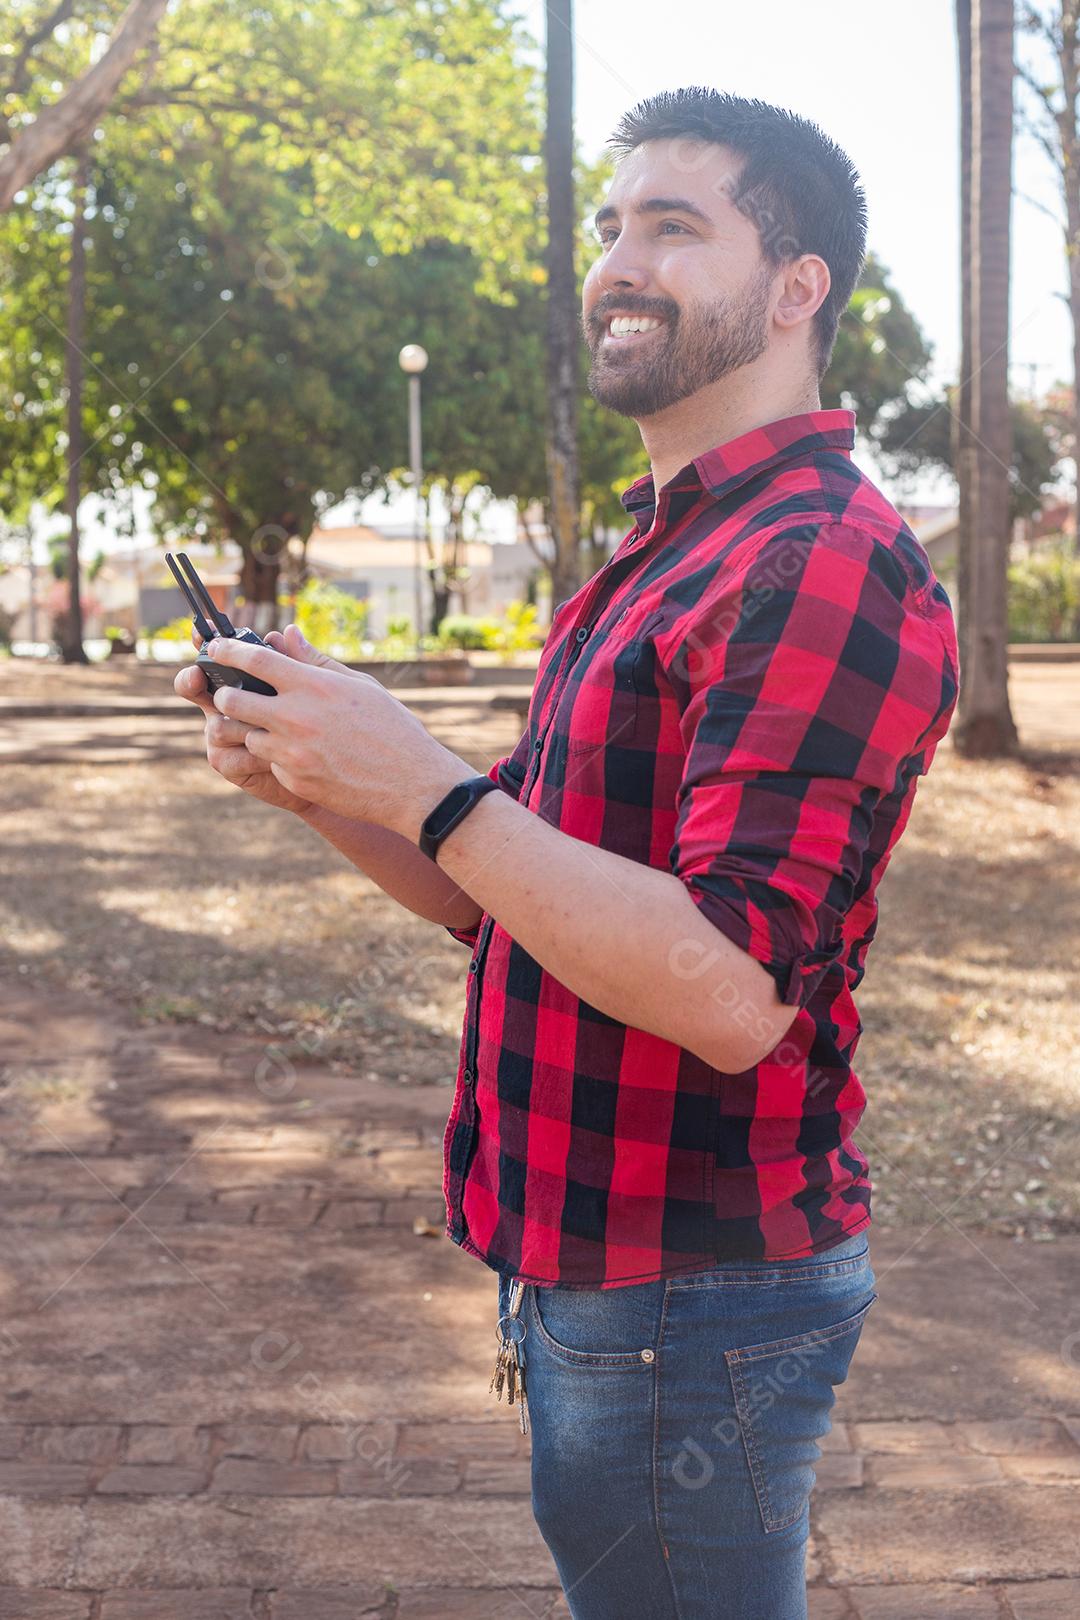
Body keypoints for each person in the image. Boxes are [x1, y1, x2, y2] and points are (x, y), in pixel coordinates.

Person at [176, 87, 959, 1620]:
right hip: (601, 1272)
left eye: (675, 226)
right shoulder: (666, 549)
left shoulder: (815, 556)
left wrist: (425, 785)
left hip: (695, 1294)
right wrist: (327, 781)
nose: (617, 263)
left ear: (797, 287)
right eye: (611, 226)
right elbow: (513, 897)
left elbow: (730, 991)